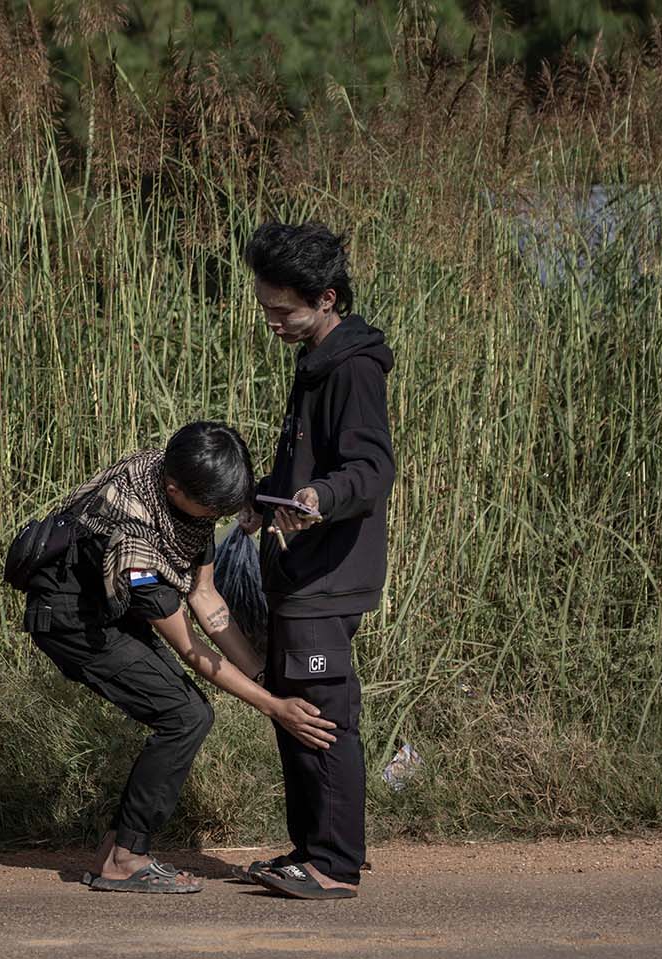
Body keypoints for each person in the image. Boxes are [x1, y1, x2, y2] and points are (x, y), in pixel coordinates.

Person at [22, 422, 339, 893]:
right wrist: (273, 706)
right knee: (184, 714)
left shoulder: (187, 491)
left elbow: (206, 597)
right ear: (175, 490)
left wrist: (261, 673)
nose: (216, 516)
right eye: (212, 509)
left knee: (186, 713)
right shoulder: (135, 538)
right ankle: (127, 858)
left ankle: (115, 852)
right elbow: (191, 648)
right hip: (71, 618)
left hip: (112, 607)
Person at [236, 222, 395, 900]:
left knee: (323, 714)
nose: (272, 321)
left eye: (283, 310)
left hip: (328, 576)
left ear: (327, 297)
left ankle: (334, 862)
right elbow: (303, 458)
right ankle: (311, 849)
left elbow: (372, 467)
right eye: (266, 307)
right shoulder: (315, 359)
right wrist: (264, 503)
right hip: (300, 571)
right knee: (295, 710)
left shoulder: (353, 366)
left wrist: (319, 496)